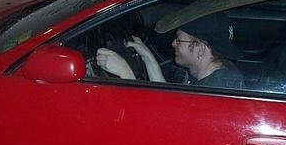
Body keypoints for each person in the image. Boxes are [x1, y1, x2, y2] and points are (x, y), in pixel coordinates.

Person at [96, 11, 243, 88]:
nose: (173, 43)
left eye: (179, 41)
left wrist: (125, 72)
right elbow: (165, 101)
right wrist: (147, 56)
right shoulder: (219, 72)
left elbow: (157, 125)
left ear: (200, 49)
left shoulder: (212, 92)